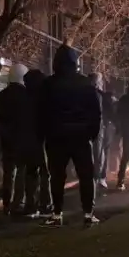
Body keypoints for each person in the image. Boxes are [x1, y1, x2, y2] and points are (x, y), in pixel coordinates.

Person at [39, 46, 102, 225]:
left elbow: (41, 111)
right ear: (76, 63)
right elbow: (95, 112)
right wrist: (92, 133)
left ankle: (57, 213)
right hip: (81, 136)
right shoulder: (85, 84)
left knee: (57, 176)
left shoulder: (49, 84)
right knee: (86, 176)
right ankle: (88, 213)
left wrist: (44, 133)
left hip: (56, 136)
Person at [0, 64, 40, 215]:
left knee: (8, 172)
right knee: (21, 171)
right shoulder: (27, 95)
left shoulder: (1, 95)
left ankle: (7, 203)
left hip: (6, 140)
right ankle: (18, 202)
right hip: (22, 140)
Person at [23, 69, 52, 215]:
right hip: (43, 139)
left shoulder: (24, 97)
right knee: (46, 173)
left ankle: (30, 205)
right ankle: (46, 204)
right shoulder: (45, 98)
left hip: (27, 140)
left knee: (31, 173)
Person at [90, 73, 116, 189]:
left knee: (97, 152)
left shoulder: (85, 94)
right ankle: (100, 177)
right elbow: (111, 113)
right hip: (102, 127)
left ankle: (97, 176)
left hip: (95, 127)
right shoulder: (103, 96)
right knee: (101, 152)